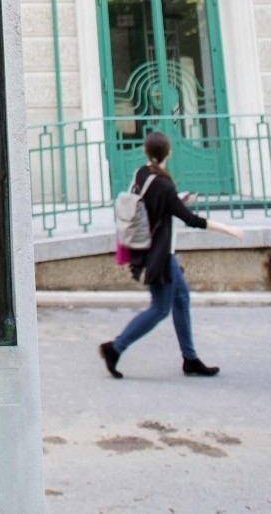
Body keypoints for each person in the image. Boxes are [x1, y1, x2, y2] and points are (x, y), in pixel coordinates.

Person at [99, 130, 244, 378]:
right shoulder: (164, 184)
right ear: (169, 153)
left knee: (181, 299)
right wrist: (227, 229)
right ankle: (115, 348)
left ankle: (190, 359)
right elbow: (190, 219)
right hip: (159, 257)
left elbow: (151, 205)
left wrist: (176, 199)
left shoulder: (141, 174)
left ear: (145, 151)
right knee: (160, 309)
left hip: (158, 252)